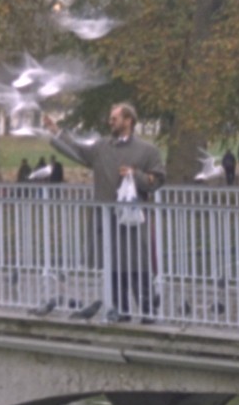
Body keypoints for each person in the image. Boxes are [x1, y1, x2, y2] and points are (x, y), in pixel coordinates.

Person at [49, 104, 165, 319]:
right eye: (110, 118)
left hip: (133, 220)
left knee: (137, 265)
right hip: (107, 220)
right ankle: (121, 311)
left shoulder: (148, 151)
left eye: (115, 118)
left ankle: (148, 313)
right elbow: (78, 151)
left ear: (128, 120)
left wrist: (135, 175)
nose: (110, 122)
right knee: (113, 266)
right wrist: (57, 133)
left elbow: (156, 181)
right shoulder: (102, 147)